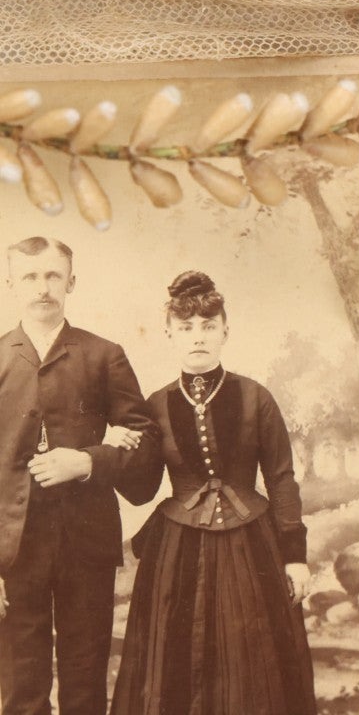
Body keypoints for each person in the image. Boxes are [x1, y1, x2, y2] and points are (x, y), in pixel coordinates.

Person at [110, 271, 316, 715]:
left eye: (208, 326)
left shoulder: (256, 397)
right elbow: (142, 489)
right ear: (169, 334)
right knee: (173, 657)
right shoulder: (157, 404)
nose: (197, 337)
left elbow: (281, 478)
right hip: (175, 551)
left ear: (225, 331)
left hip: (252, 548)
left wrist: (295, 556)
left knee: (253, 658)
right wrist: (115, 451)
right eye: (185, 328)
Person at [0, 236, 160, 715]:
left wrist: (89, 461)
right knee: (21, 685)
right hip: (13, 547)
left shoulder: (102, 354)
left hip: (86, 541)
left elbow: (146, 441)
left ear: (72, 280)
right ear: (10, 282)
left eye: (53, 275)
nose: (43, 287)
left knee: (86, 678)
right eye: (30, 275)